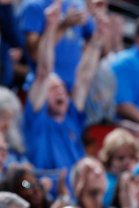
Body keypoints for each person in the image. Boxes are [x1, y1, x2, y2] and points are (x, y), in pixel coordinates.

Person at [23, 0, 104, 170]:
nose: (60, 92)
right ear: (42, 96)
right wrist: (52, 26)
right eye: (53, 89)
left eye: (62, 89)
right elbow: (44, 70)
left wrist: (98, 38)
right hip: (47, 188)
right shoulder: (37, 119)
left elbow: (84, 78)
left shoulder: (71, 117)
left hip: (75, 190)